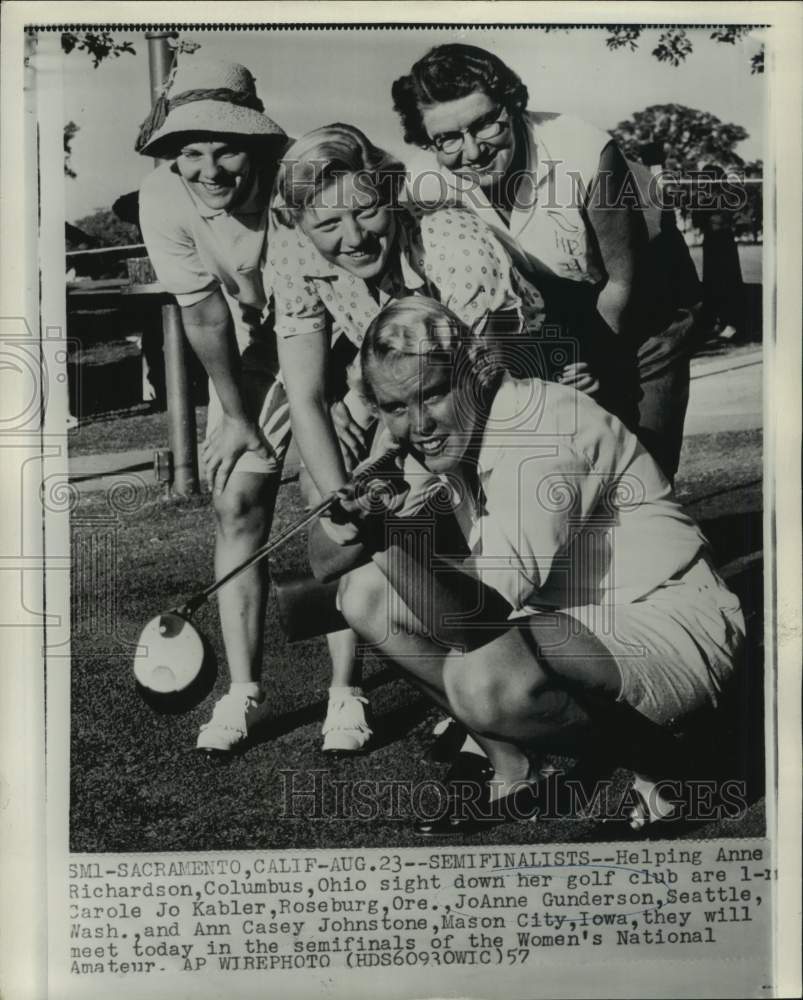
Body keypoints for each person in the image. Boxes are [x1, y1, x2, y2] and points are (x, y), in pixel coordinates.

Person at [318, 296, 744, 834]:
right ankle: (516, 769)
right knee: (364, 595)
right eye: (396, 406)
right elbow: (324, 563)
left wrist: (382, 535)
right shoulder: (428, 434)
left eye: (432, 394)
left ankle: (676, 772)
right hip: (572, 627)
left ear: (474, 373)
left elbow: (476, 622)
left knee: (484, 677)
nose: (418, 423)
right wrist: (350, 517)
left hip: (668, 625)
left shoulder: (545, 429)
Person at [264, 122, 577, 753]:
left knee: (505, 567)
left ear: (392, 194)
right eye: (328, 226)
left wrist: (384, 464)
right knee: (365, 587)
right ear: (298, 223)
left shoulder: (449, 239)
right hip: (426, 407)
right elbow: (304, 394)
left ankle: (544, 708)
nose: (352, 238)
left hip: (527, 395)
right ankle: (493, 731)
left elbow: (472, 390)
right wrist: (343, 500)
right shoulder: (295, 250)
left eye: (367, 210)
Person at [392, 43, 703, 480]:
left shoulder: (583, 149)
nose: (473, 151)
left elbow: (621, 284)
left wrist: (593, 363)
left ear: (513, 106)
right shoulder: (423, 180)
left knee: (642, 469)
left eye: (486, 124)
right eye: (448, 138)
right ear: (428, 140)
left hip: (647, 305)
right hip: (562, 308)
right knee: (573, 472)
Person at [137, 58, 291, 754]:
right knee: (234, 503)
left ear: (255, 143)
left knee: (339, 502)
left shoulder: (300, 178)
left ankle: (350, 693)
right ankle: (244, 693)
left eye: (226, 147)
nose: (208, 168)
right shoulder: (162, 195)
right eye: (190, 151)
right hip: (257, 352)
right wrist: (237, 417)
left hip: (344, 339)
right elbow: (204, 317)